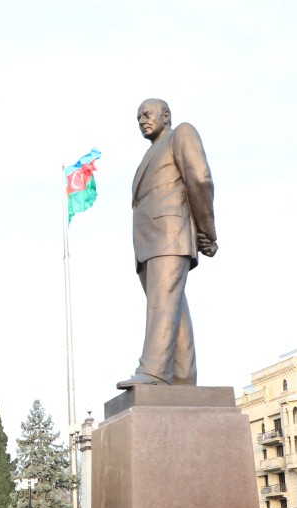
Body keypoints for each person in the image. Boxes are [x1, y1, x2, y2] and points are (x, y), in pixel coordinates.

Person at [117, 98, 217, 389]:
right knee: (172, 307)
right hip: (149, 243)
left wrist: (206, 231)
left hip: (169, 235)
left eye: (147, 115)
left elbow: (200, 179)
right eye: (138, 118)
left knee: (162, 304)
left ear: (166, 115)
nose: (142, 121)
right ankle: (183, 378)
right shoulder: (151, 154)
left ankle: (154, 371)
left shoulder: (181, 134)